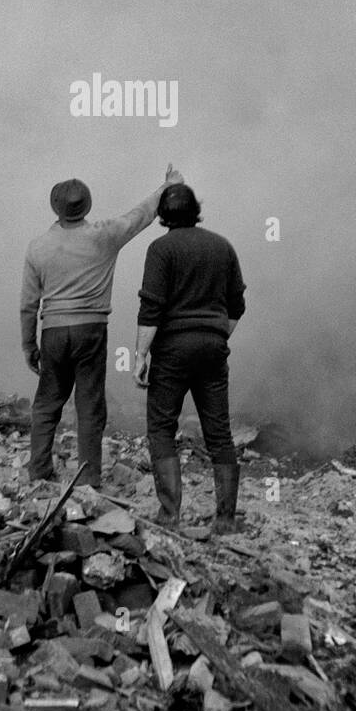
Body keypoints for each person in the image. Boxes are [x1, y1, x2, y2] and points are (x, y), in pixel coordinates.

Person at [21, 164, 183, 488]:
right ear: (87, 206)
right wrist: (168, 187)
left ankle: (38, 471)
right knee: (90, 405)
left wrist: (29, 346)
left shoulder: (37, 247)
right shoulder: (104, 236)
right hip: (91, 332)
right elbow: (140, 215)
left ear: (55, 208)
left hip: (52, 331)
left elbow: (28, 304)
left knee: (47, 402)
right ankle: (88, 477)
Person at [133, 183, 245, 533]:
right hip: (213, 348)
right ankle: (225, 520)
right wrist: (215, 335)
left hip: (172, 352)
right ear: (196, 209)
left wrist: (140, 355)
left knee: (162, 428)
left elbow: (151, 307)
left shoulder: (161, 249)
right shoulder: (222, 246)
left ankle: (169, 516)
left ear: (163, 216)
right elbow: (237, 304)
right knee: (219, 434)